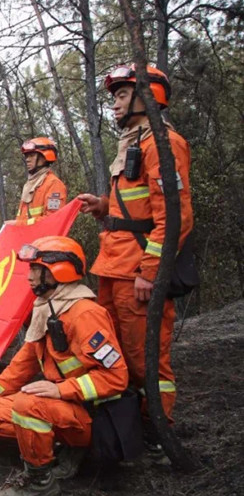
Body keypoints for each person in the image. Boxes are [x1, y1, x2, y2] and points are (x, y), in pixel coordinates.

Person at [76, 64, 193, 441]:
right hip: (113, 266)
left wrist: (150, 270)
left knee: (146, 359)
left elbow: (175, 217)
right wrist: (103, 204)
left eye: (122, 95)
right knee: (113, 355)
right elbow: (137, 205)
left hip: (136, 271)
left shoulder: (164, 144)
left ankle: (160, 433)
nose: (114, 104)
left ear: (148, 96)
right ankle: (128, 433)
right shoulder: (133, 141)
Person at [0, 236, 129, 496]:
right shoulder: (48, 309)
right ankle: (58, 451)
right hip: (63, 408)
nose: (29, 276)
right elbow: (23, 364)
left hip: (93, 417)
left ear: (58, 271)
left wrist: (60, 390)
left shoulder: (84, 314)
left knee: (27, 404)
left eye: (36, 269)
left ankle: (40, 483)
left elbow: (116, 377)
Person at [15, 137, 67, 225]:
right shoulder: (30, 185)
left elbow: (53, 220)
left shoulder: (53, 184)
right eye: (27, 156)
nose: (27, 159)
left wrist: (18, 224)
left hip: (44, 238)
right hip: (27, 237)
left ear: (44, 157)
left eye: (32, 156)